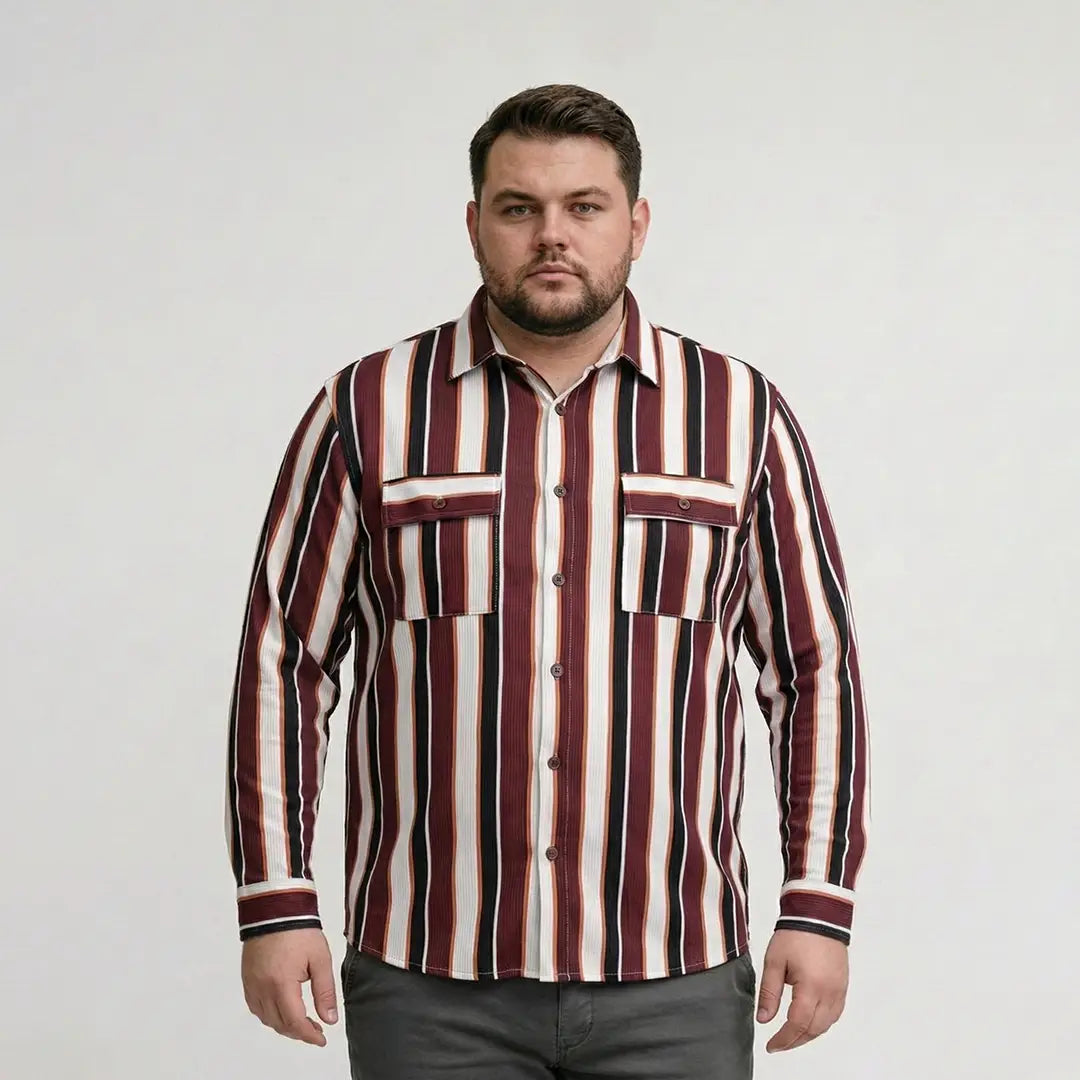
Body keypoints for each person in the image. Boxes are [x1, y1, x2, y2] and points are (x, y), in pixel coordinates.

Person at [225, 83, 870, 1079]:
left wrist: (818, 903)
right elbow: (284, 659)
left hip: (678, 980)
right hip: (428, 984)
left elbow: (812, 664)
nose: (551, 237)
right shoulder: (368, 408)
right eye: (519, 208)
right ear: (475, 223)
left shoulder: (739, 415)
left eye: (585, 207)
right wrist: (275, 900)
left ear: (637, 224)